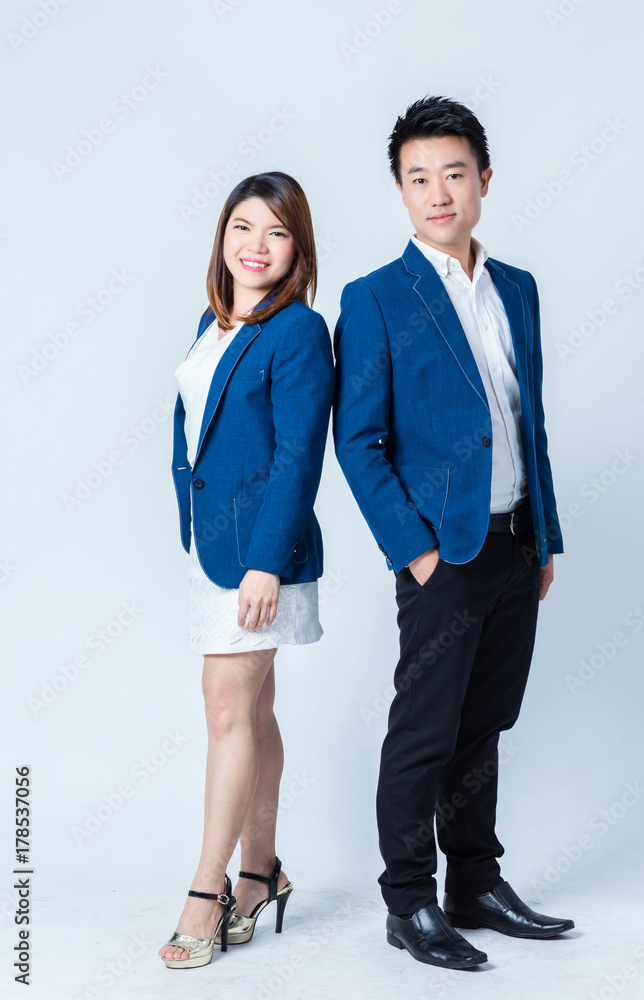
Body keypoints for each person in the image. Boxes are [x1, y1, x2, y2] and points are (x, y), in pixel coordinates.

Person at [333, 96, 574, 970]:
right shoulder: (374, 300)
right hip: (442, 556)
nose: (438, 191)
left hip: (515, 546)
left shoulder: (517, 288)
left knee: (485, 724)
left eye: (454, 173)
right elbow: (356, 442)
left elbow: (526, 418)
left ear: (483, 181)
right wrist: (416, 551)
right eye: (418, 177)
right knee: (425, 731)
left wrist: (543, 537)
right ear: (399, 190)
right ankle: (410, 903)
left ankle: (475, 881)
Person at [159, 171, 334, 969]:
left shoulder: (297, 331)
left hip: (262, 556)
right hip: (215, 549)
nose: (254, 246)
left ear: (296, 248)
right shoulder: (214, 320)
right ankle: (261, 873)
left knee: (225, 709)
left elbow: (301, 453)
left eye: (275, 232)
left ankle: (208, 890)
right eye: (241, 227)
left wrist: (266, 562)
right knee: (251, 712)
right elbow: (193, 427)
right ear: (221, 236)